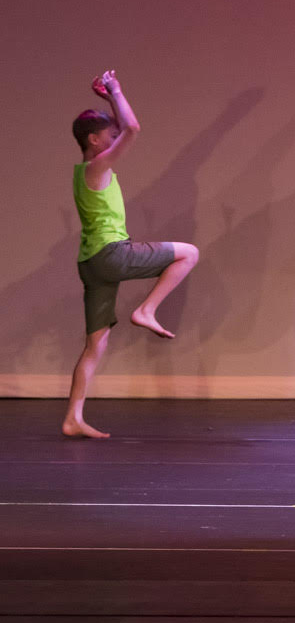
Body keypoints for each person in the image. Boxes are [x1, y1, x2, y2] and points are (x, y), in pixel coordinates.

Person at [67, 70, 201, 438]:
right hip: (111, 254)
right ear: (94, 141)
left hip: (90, 264)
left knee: (95, 344)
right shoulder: (98, 166)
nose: (115, 141)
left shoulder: (83, 171)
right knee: (188, 253)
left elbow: (122, 128)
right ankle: (146, 310)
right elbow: (133, 129)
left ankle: (73, 418)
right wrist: (115, 89)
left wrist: (108, 102)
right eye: (109, 138)